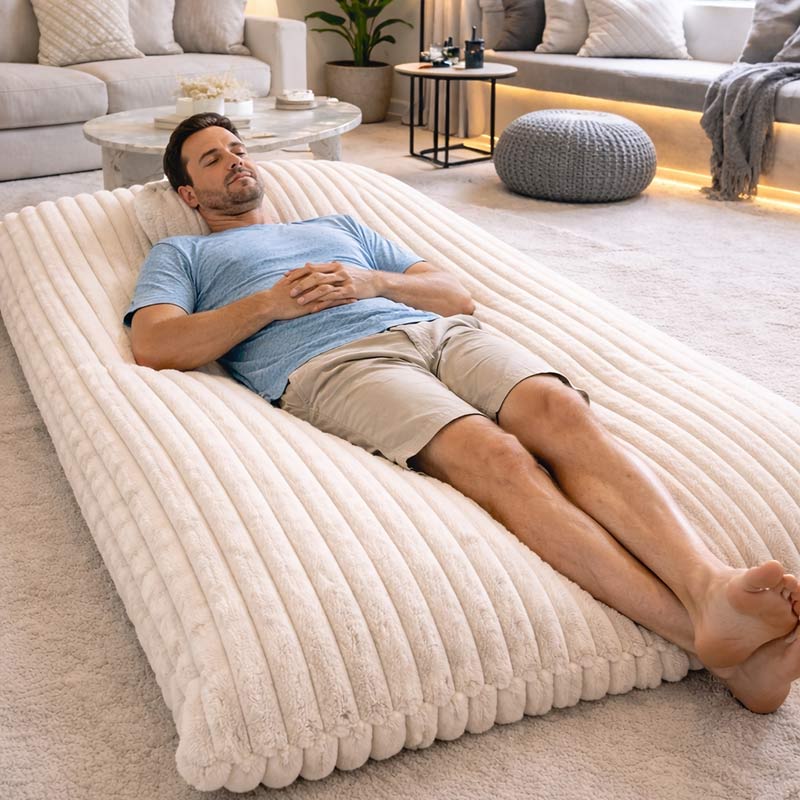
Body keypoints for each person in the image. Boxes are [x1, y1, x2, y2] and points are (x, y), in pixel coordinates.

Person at [125, 113, 800, 713]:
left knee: (560, 409)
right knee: (496, 456)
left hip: (437, 332)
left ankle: (710, 587)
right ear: (189, 195)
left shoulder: (336, 227)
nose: (235, 160)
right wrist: (270, 303)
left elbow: (454, 294)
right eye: (212, 158)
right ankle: (712, 644)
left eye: (238, 148)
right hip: (335, 363)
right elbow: (155, 343)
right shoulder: (183, 252)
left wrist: (373, 280)